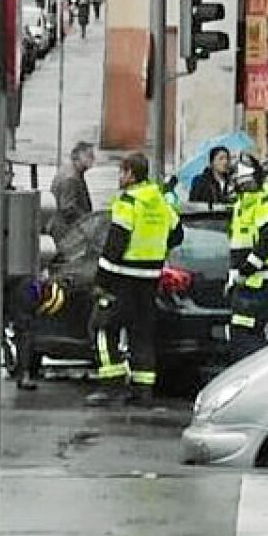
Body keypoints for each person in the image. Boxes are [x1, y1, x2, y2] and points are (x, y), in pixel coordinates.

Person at [89, 153, 182, 407]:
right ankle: (142, 391)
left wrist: (101, 281)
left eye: (121, 172)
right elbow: (178, 234)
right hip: (149, 280)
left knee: (102, 327)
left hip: (123, 279)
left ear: (131, 174)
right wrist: (155, 251)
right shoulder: (160, 201)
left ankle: (111, 387)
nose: (119, 177)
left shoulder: (128, 203)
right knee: (141, 334)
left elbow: (115, 245)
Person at [225, 156, 268, 353]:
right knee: (243, 334)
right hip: (247, 282)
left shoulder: (266, 204)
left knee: (243, 337)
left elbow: (267, 242)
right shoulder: (243, 206)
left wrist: (246, 271)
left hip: (259, 281)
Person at [51, 141, 95, 235]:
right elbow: (68, 209)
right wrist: (88, 221)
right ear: (77, 156)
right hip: (67, 231)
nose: (93, 159)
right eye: (89, 155)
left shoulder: (70, 171)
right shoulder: (71, 178)